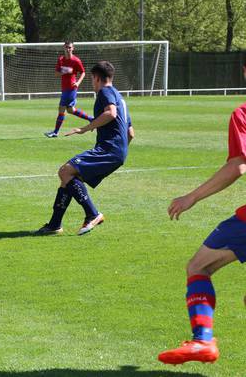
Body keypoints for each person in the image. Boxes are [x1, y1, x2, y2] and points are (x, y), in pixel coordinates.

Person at [157, 62, 246, 365]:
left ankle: (203, 341)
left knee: (198, 266)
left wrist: (191, 197)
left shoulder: (243, 114)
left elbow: (238, 165)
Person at [35, 61, 133, 235]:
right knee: (69, 179)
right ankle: (54, 224)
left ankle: (93, 214)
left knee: (65, 171)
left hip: (109, 149)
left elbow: (111, 113)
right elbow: (130, 133)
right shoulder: (120, 97)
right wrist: (119, 151)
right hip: (118, 151)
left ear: (96, 78)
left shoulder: (106, 91)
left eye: (92, 79)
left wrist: (84, 129)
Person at [44, 41, 94, 138]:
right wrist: (67, 70)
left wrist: (78, 83)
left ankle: (55, 132)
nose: (68, 49)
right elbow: (56, 74)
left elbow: (83, 72)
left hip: (71, 88)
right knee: (71, 110)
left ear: (73, 48)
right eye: (66, 47)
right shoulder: (61, 59)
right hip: (64, 88)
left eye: (70, 47)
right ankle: (91, 118)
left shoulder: (76, 60)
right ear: (63, 47)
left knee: (61, 109)